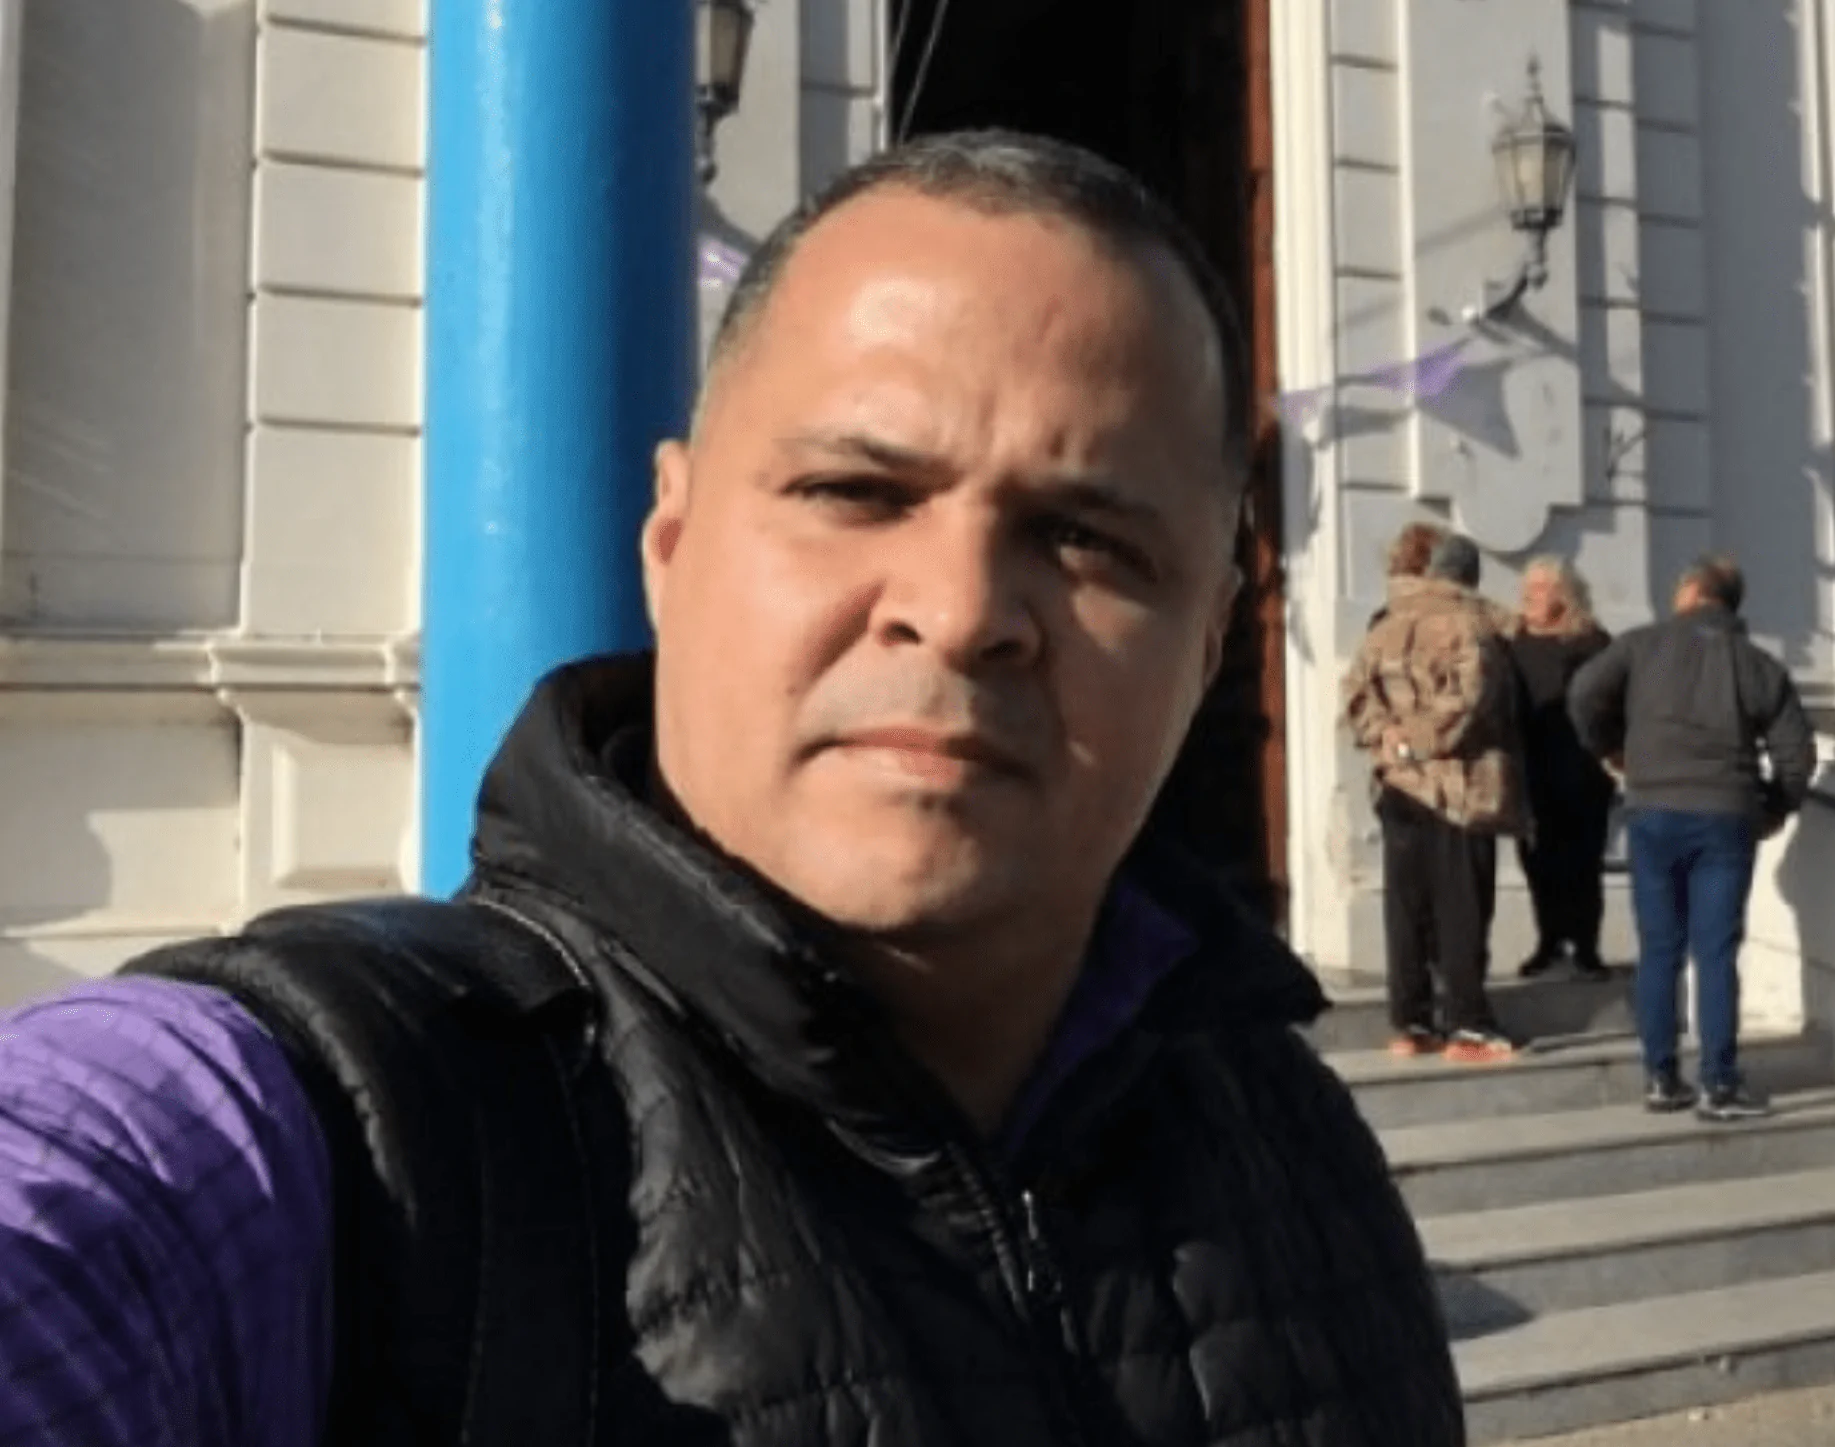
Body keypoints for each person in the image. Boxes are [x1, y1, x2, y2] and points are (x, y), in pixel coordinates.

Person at [0, 131, 1464, 1447]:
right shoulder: (352, 1125)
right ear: (671, 538)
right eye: (855, 491)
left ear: (1209, 643)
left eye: (1086, 538)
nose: (960, 610)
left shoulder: (1292, 1138)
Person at [1569, 554, 1816, 1121]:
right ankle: (1719, 1084)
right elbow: (1797, 756)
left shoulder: (1639, 646)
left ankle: (1661, 1076)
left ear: (1689, 593)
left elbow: (1582, 692)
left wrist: (1611, 748)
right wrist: (1774, 806)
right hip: (1725, 814)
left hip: (1652, 808)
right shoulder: (1758, 665)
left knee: (1659, 948)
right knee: (1716, 952)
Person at [1342, 530, 1526, 1063]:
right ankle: (1468, 1026)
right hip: (1457, 787)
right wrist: (1419, 741)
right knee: (1461, 906)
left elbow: (1355, 693)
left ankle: (1411, 1021)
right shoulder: (1471, 624)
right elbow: (1472, 697)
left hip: (1395, 784)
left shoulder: (1386, 623)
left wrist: (1388, 739)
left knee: (1407, 907)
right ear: (1469, 575)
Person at [1507, 555, 1617, 980]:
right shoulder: (1514, 644)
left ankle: (1586, 946)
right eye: (1526, 589)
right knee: (1537, 859)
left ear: (1563, 594)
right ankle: (1548, 940)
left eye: (1538, 589)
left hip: (1584, 770)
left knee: (1584, 859)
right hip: (1532, 768)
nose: (1527, 597)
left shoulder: (1593, 643)